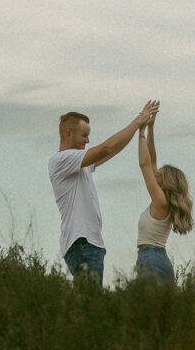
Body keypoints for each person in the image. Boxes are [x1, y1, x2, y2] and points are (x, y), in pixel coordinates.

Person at [49, 101, 159, 285]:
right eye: (84, 135)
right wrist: (137, 121)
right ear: (69, 134)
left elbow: (112, 150)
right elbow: (106, 148)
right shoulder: (61, 160)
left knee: (90, 302)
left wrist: (140, 129)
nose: (87, 141)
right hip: (82, 243)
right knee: (91, 305)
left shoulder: (79, 163)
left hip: (90, 244)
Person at [136, 107, 193, 284]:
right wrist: (151, 129)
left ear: (165, 182)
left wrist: (141, 132)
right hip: (156, 258)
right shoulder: (163, 201)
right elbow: (151, 161)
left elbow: (145, 164)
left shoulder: (161, 202)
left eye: (158, 174)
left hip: (151, 258)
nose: (155, 173)